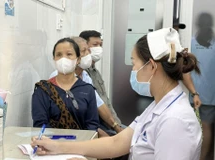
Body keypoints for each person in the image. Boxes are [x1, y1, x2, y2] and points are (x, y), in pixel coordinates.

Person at [31, 28, 202, 160]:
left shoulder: (175, 121)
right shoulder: (159, 106)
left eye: (134, 63)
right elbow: (116, 142)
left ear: (151, 66)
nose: (133, 70)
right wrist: (56, 146)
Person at [49, 37, 123, 135]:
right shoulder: (58, 77)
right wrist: (99, 133)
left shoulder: (85, 75)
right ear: (76, 57)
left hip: (90, 126)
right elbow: (70, 115)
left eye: (88, 50)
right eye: (84, 51)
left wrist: (116, 127)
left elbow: (99, 104)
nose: (88, 54)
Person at [32, 38, 99, 130]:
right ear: (54, 59)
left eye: (69, 54)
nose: (63, 59)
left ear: (78, 59)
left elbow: (92, 125)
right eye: (59, 55)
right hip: (50, 142)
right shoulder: (43, 90)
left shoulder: (87, 90)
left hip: (82, 143)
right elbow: (40, 124)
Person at [79, 30, 122, 128]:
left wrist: (117, 123)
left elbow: (106, 101)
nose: (99, 48)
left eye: (100, 45)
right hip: (100, 125)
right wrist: (116, 127)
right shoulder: (82, 73)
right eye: (95, 44)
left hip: (112, 123)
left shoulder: (95, 72)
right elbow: (97, 106)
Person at [190, 12, 215, 160]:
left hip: (194, 93)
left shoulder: (191, 42)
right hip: (211, 95)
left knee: (193, 128)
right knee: (206, 127)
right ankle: (203, 158)